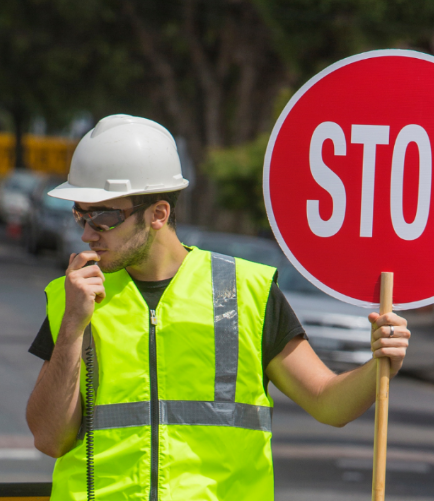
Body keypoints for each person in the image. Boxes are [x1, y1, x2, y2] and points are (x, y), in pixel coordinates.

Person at [26, 115, 410, 501]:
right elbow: (48, 438)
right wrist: (72, 326)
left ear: (158, 214)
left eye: (104, 217)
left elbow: (328, 403)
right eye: (81, 214)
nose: (87, 233)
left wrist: (380, 363)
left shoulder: (248, 292)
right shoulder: (73, 297)